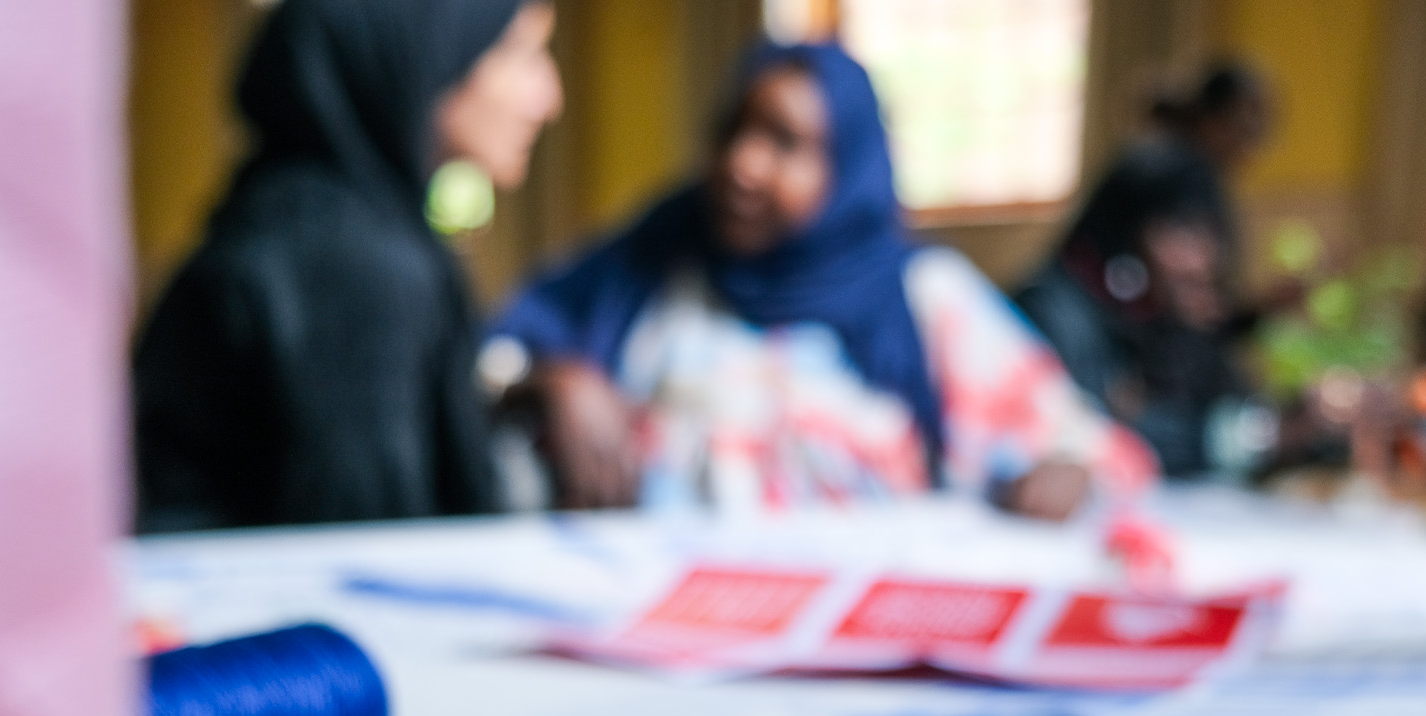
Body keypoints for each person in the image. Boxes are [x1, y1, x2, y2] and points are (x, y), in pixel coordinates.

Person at [488, 43, 1150, 520]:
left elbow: (1088, 448)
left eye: (783, 142)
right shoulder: (656, 265)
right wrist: (554, 382)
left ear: (847, 168)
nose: (742, 165)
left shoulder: (923, 298)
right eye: (732, 132)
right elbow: (485, 361)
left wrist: (1066, 475)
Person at [132, 0, 561, 532]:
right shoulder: (351, 272)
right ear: (419, 52)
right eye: (523, 55)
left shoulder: (296, 222)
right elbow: (371, 560)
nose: (549, 99)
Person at [1014, 62, 1278, 478]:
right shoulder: (1056, 315)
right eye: (1184, 234)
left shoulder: (1154, 313)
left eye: (1209, 238)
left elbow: (1223, 404)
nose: (1203, 260)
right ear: (1130, 234)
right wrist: (1261, 439)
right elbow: (1097, 443)